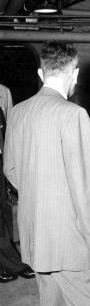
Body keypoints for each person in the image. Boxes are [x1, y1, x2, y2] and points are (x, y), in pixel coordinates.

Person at [4, 42, 90, 306]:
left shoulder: (19, 111)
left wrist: (42, 196)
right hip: (71, 243)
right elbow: (86, 187)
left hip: (36, 238)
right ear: (75, 73)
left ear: (41, 72)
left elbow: (11, 169)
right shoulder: (73, 114)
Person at [0, 84, 34, 282]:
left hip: (1, 158)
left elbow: (10, 128)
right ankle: (11, 263)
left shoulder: (3, 91)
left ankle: (9, 262)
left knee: (5, 208)